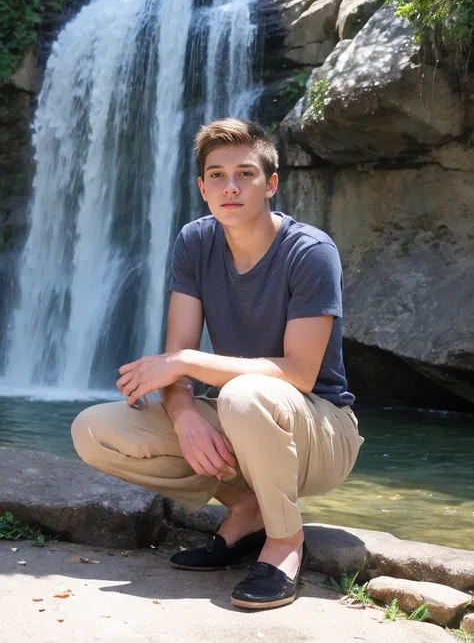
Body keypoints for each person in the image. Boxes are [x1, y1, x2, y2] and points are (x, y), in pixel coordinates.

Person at [71, 117, 364, 610]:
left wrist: (184, 361)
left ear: (270, 183)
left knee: (243, 394)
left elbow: (298, 373)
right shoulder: (195, 241)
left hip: (321, 428)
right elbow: (175, 362)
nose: (231, 186)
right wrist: (185, 418)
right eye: (216, 175)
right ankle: (248, 509)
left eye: (245, 174)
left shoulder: (311, 252)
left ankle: (285, 542)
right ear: (202, 187)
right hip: (240, 416)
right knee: (93, 429)